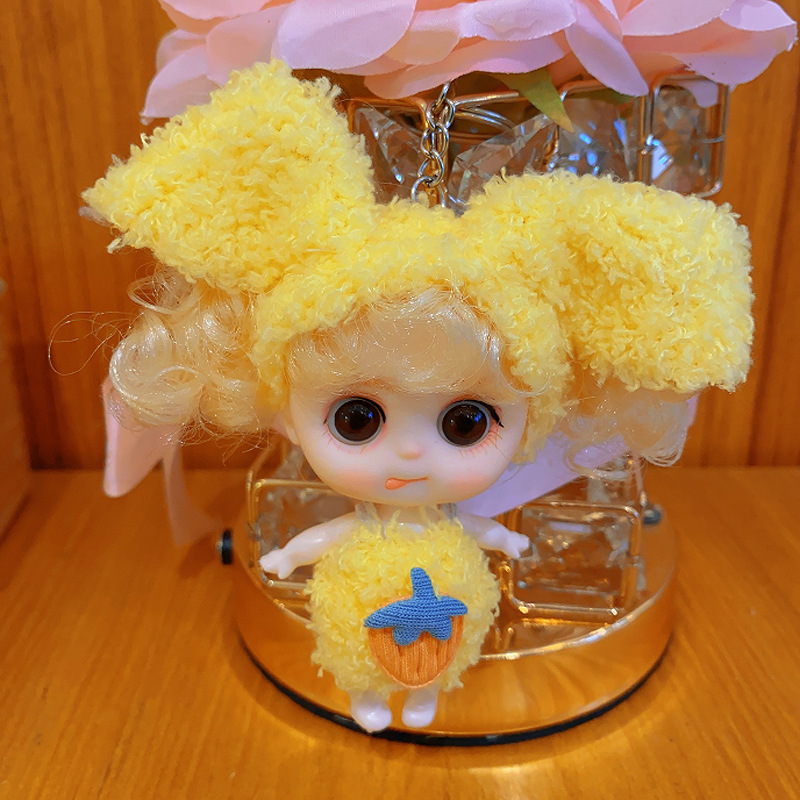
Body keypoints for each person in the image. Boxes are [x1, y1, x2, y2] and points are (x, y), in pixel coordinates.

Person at [84, 60, 753, 732]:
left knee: (437, 651)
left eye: (465, 423)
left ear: (535, 418)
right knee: (361, 650)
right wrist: (287, 555)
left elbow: (481, 532)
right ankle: (369, 694)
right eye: (357, 419)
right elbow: (330, 538)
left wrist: (508, 541)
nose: (409, 453)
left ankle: (428, 692)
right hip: (377, 612)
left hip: (442, 614)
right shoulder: (367, 511)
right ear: (280, 404)